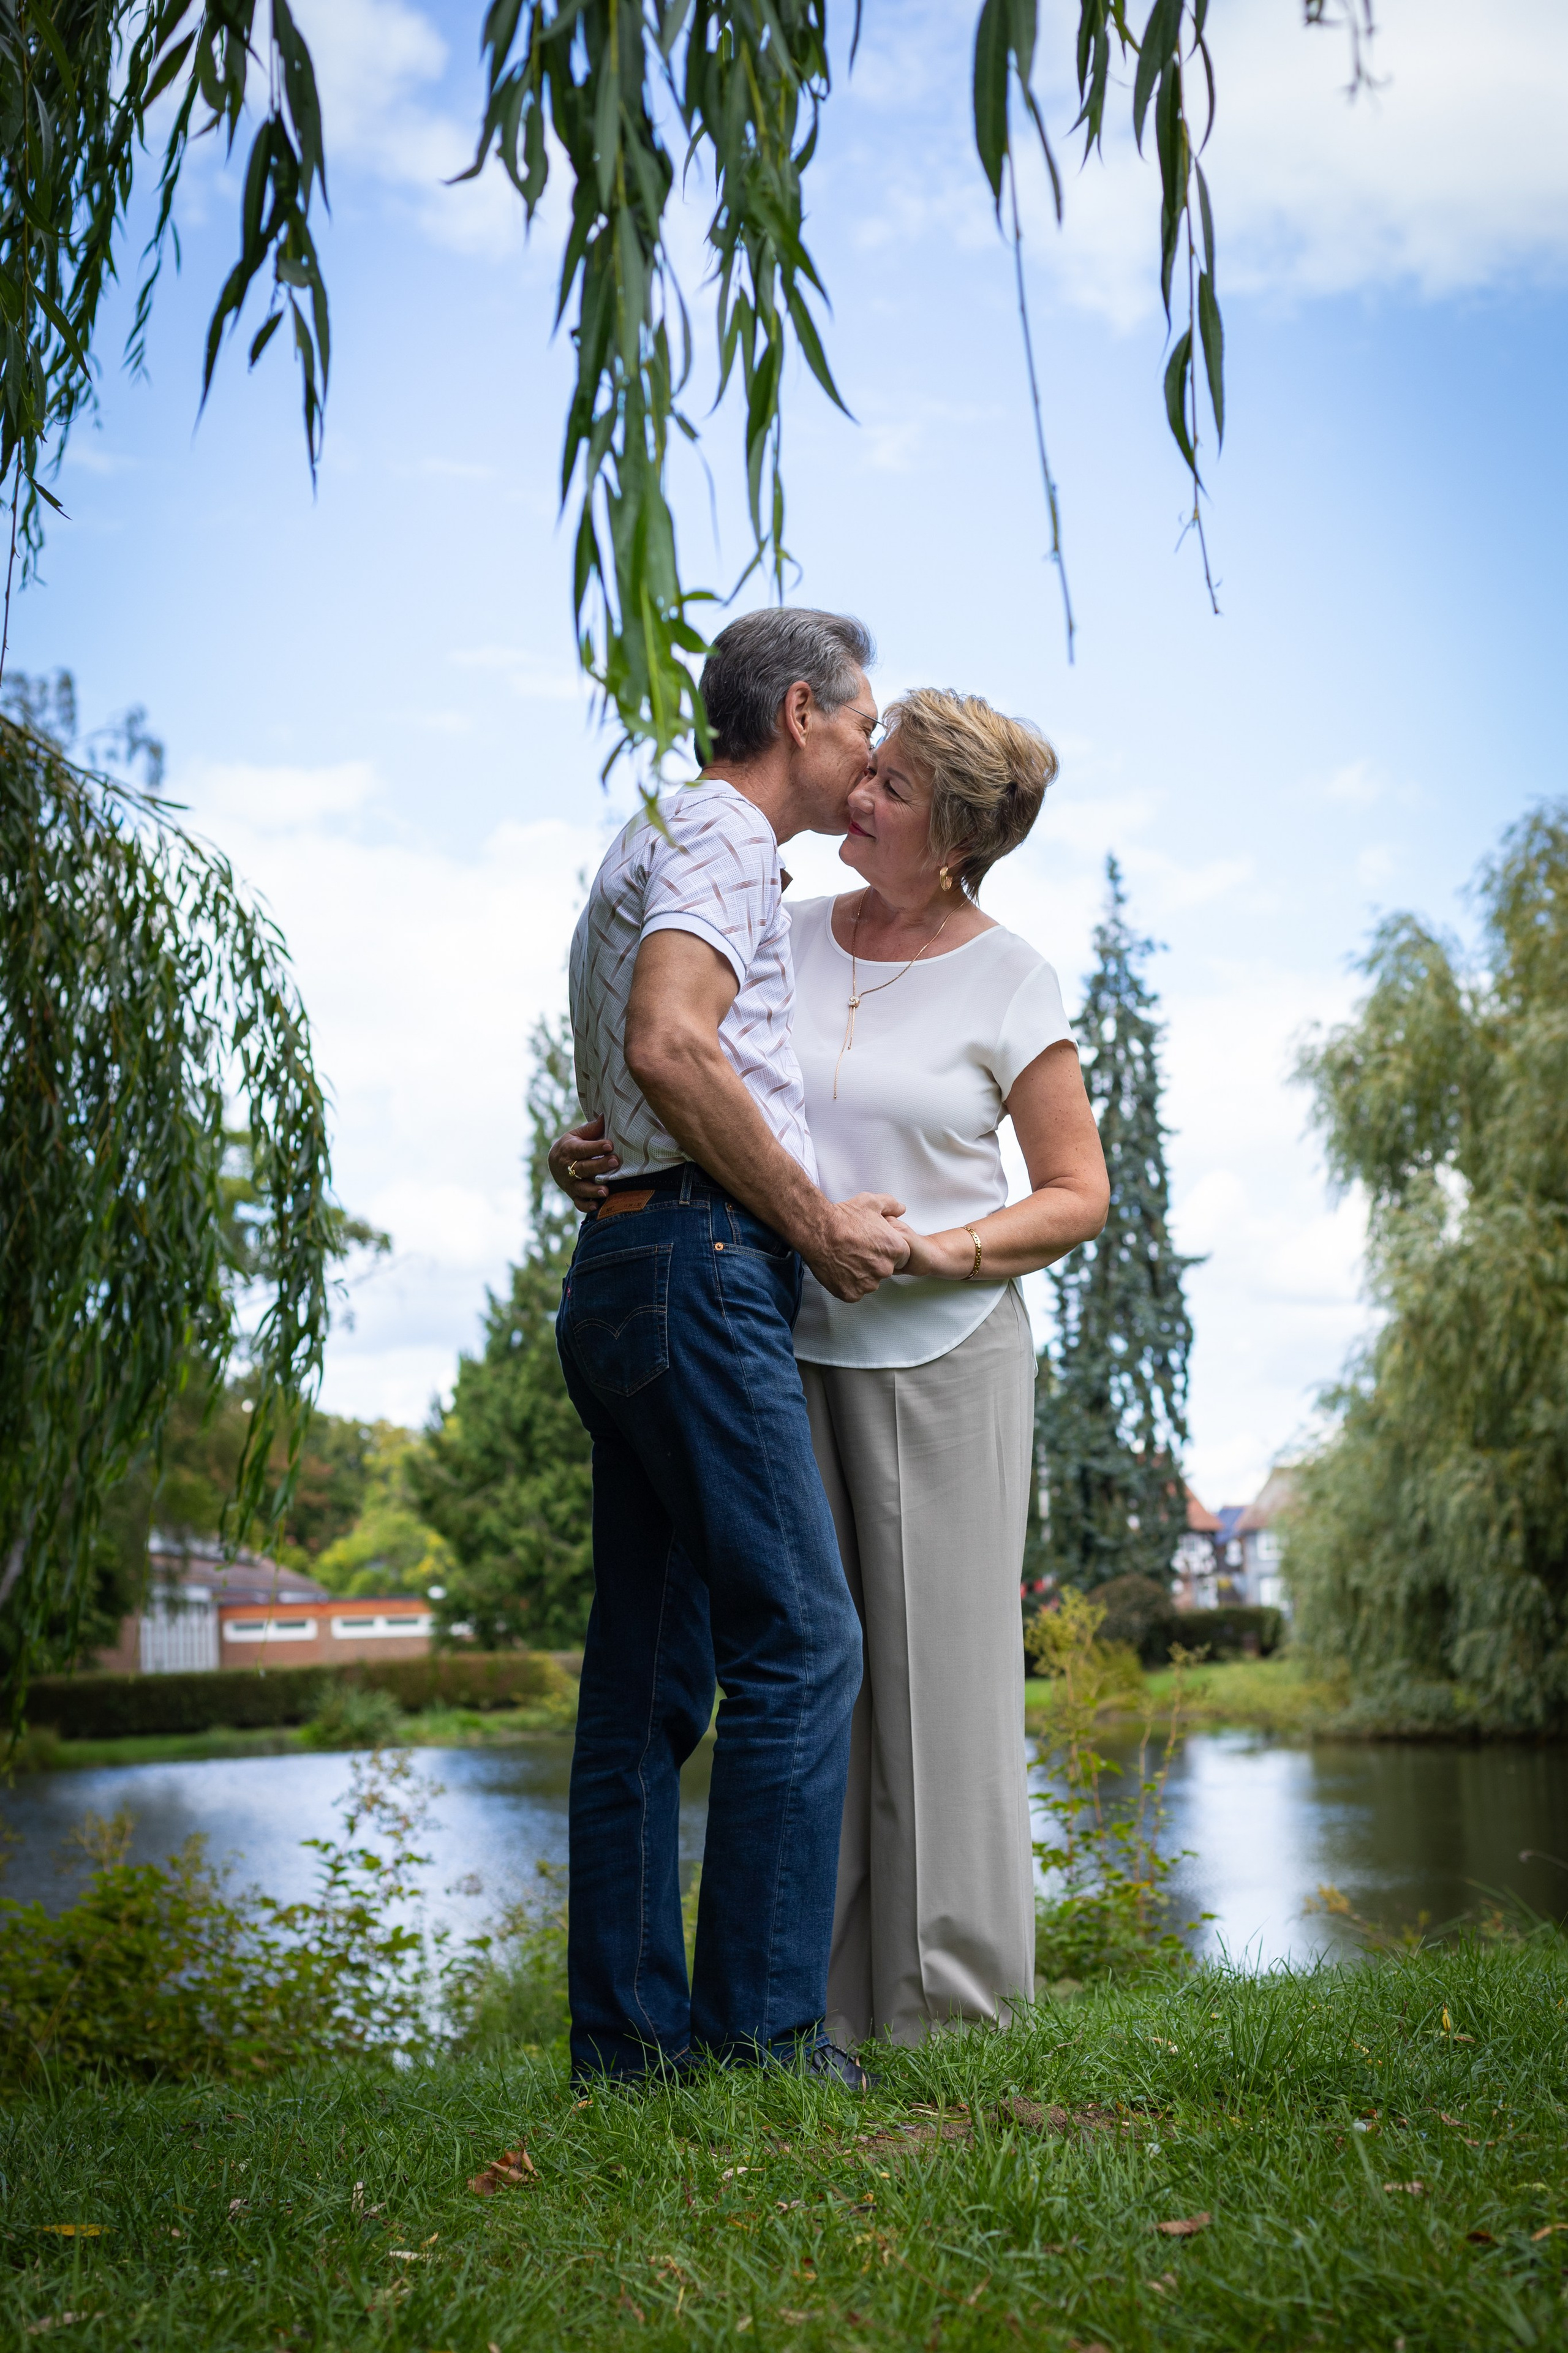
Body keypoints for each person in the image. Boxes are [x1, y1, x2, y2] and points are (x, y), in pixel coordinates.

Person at [560, 686, 1108, 2055]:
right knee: (813, 1686)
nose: (860, 791)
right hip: (773, 1336)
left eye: (895, 787)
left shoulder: (1011, 978)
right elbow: (695, 1072)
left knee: (940, 1696)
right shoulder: (781, 925)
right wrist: (602, 1146)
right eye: (872, 766)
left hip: (945, 1354)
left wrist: (940, 1251)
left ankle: (952, 2018)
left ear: (957, 837)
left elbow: (1076, 1193)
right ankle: (826, 2016)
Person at [555, 605, 910, 2089]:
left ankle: (630, 2055)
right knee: (805, 1642)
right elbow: (668, 1042)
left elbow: (631, 1070)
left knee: (644, 1685)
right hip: (698, 1270)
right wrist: (816, 1225)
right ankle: (763, 2044)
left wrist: (595, 1156)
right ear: (799, 713)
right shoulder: (714, 828)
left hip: (628, 1266)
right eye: (863, 722)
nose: (872, 752)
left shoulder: (653, 836)